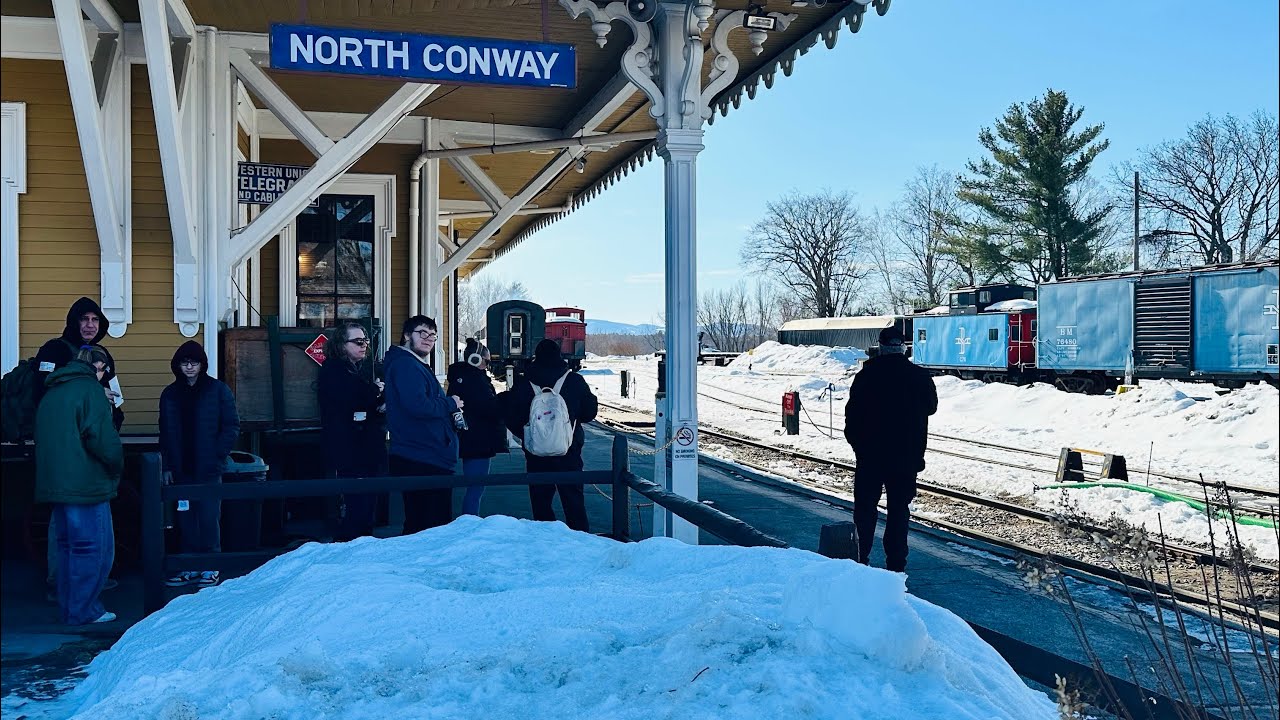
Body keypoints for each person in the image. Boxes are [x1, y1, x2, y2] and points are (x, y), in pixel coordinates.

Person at [34, 297, 123, 602]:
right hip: (65, 451)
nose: (89, 325)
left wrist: (111, 419)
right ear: (73, 321)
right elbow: (41, 394)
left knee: (88, 526)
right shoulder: (54, 351)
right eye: (84, 319)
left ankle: (90, 581)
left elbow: (116, 399)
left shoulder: (102, 355)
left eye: (95, 320)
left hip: (93, 449)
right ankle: (60, 583)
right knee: (67, 523)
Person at [843, 326, 938, 573]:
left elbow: (851, 418)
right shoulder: (919, 376)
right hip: (905, 460)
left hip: (870, 458)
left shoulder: (866, 376)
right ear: (904, 347)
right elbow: (931, 408)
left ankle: (861, 557)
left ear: (881, 346)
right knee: (898, 512)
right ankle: (896, 566)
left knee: (865, 509)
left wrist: (858, 447)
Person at [158, 341, 240, 587]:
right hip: (180, 467)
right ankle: (189, 566)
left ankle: (211, 565)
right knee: (185, 519)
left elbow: (231, 425)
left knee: (208, 517)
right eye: (184, 363)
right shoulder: (170, 394)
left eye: (194, 362)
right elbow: (164, 432)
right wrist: (167, 466)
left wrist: (218, 456)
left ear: (203, 364)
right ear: (177, 365)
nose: (189, 367)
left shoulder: (218, 390)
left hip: (208, 467)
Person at [505, 339, 598, 533]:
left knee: (541, 504)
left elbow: (510, 415)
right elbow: (590, 412)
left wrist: (527, 436)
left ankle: (545, 542)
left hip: (536, 454)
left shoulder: (524, 383)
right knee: (574, 503)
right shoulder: (574, 381)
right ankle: (580, 542)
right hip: (568, 451)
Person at [383, 315, 462, 534]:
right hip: (421, 455)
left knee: (421, 523)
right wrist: (450, 403)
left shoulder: (411, 365)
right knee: (429, 527)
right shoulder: (406, 366)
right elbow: (418, 406)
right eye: (422, 333)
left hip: (425, 454)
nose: (428, 339)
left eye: (432, 335)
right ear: (407, 335)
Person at [318, 321, 387, 541]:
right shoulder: (334, 371)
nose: (364, 345)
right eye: (358, 341)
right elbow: (351, 399)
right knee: (357, 504)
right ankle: (351, 546)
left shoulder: (358, 369)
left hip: (366, 448)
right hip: (351, 450)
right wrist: (374, 391)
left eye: (365, 341)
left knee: (366, 503)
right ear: (341, 344)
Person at [446, 339, 507, 516]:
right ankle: (470, 523)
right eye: (486, 361)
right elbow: (489, 408)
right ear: (474, 359)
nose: (487, 366)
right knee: (476, 488)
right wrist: (506, 400)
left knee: (473, 487)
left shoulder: (460, 377)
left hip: (467, 437)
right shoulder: (476, 380)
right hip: (479, 440)